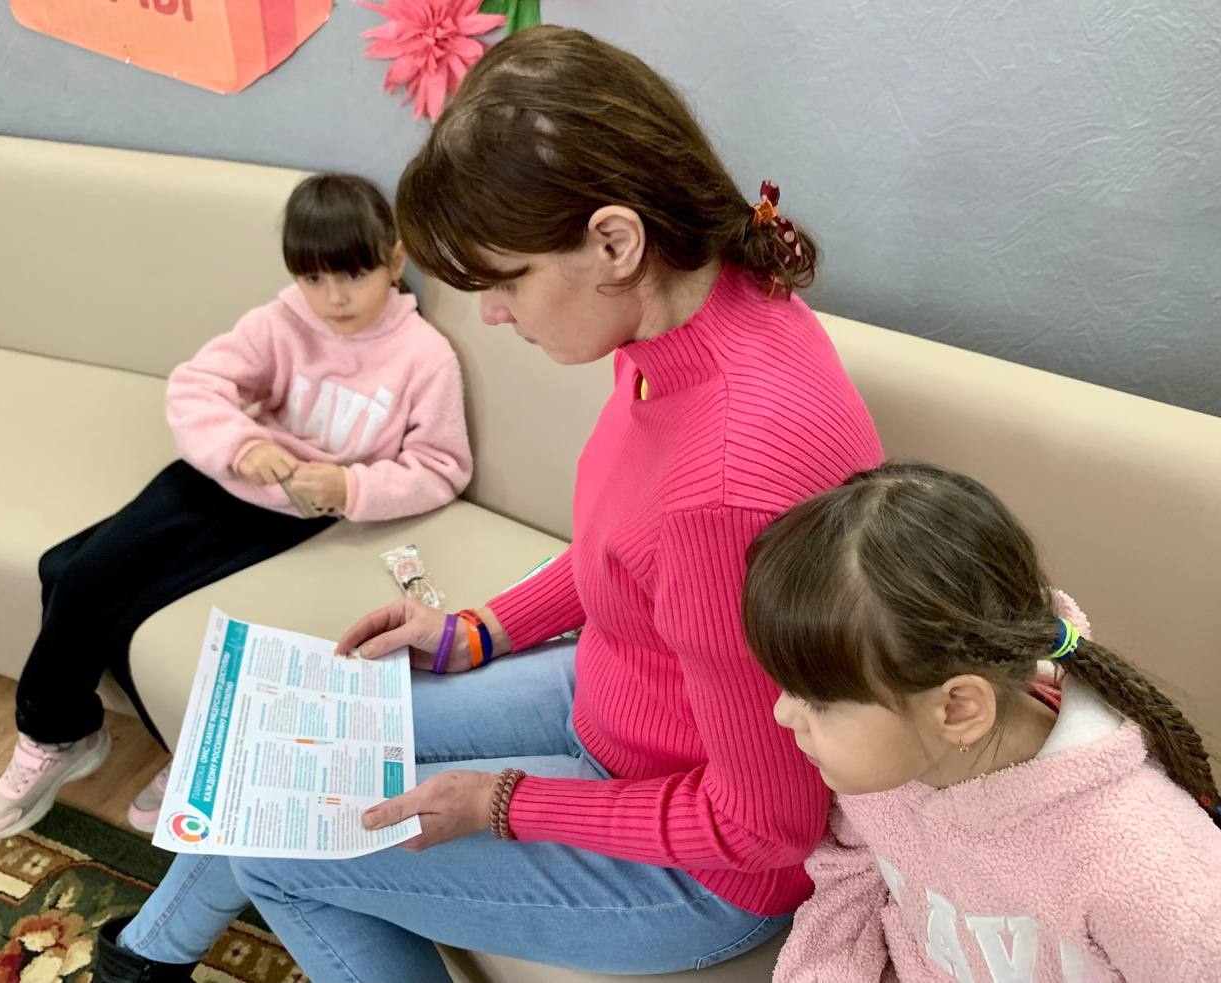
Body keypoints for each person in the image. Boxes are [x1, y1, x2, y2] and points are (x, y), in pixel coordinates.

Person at [91, 25, 882, 983]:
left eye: (505, 280)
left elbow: (763, 827)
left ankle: (140, 963)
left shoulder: (726, 481)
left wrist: (503, 803)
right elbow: (628, 547)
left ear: (615, 241)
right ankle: (143, 960)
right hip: (617, 698)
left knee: (279, 847)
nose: (494, 314)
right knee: (276, 754)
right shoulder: (696, 318)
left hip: (699, 867)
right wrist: (479, 630)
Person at [0, 173, 472, 842]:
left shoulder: (425, 357)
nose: (333, 298)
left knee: (122, 604)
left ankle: (182, 756)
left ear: (395, 257)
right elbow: (196, 385)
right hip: (212, 476)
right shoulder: (282, 321)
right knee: (69, 569)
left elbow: (442, 468)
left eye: (353, 275)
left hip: (292, 513)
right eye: (313, 278)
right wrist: (242, 444)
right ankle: (58, 735)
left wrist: (351, 488)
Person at [742, 460, 1221, 982]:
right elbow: (851, 874)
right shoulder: (889, 767)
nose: (782, 713)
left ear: (959, 709)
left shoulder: (1153, 870)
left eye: (818, 700)